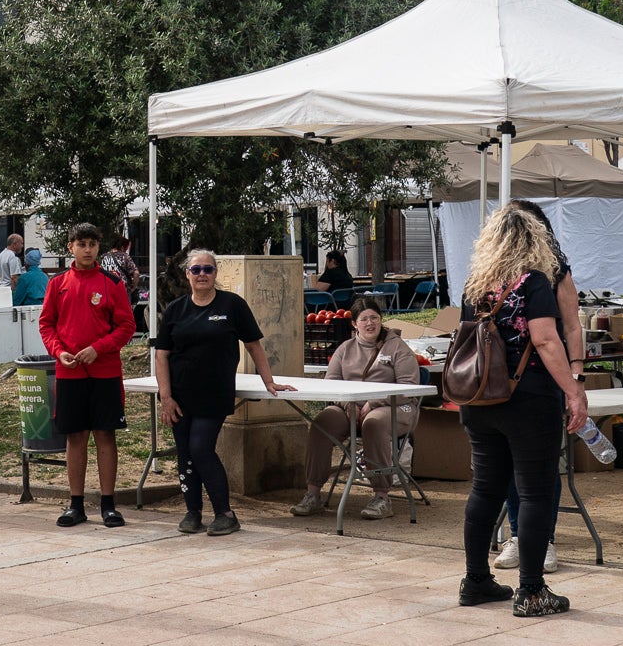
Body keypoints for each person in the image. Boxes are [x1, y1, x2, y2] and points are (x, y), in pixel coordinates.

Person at [453, 207, 587, 616]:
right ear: (537, 241)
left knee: (485, 489)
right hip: (528, 399)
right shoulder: (535, 282)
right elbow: (546, 340)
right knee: (534, 492)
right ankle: (531, 591)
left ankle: (475, 580)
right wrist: (574, 391)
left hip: (479, 399)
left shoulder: (476, 287)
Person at [155, 250, 292, 535]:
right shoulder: (175, 310)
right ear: (187, 275)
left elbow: (254, 345)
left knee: (200, 449)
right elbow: (162, 355)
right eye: (196, 270)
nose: (202, 274)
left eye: (208, 269)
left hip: (214, 394)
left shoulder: (232, 305)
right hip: (179, 396)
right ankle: (192, 512)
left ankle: (225, 513)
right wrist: (165, 397)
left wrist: (269, 381)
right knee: (185, 453)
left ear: (216, 273)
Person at [495, 200, 582, 571]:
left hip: (547, 379)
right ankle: (518, 536)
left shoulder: (555, 272)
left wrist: (574, 377)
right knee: (514, 467)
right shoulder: (493, 272)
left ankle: (543, 540)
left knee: (544, 466)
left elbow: (571, 327)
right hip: (502, 384)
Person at [38, 221, 137, 528]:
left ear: (98, 247)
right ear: (71, 247)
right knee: (76, 436)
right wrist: (58, 351)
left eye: (92, 244)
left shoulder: (112, 282)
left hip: (105, 372)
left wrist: (99, 348)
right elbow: (46, 324)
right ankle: (76, 504)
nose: (87, 249)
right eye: (81, 244)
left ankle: (109, 505)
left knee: (105, 435)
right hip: (69, 375)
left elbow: (127, 326)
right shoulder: (57, 283)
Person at [291, 296, 418, 521]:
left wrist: (374, 402)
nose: (370, 324)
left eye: (375, 318)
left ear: (381, 320)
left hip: (394, 407)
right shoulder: (345, 349)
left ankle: (381, 496)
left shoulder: (397, 347)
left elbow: (409, 387)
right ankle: (313, 493)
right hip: (350, 407)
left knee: (373, 423)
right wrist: (348, 404)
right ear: (354, 324)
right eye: (364, 319)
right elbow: (331, 383)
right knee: (323, 422)